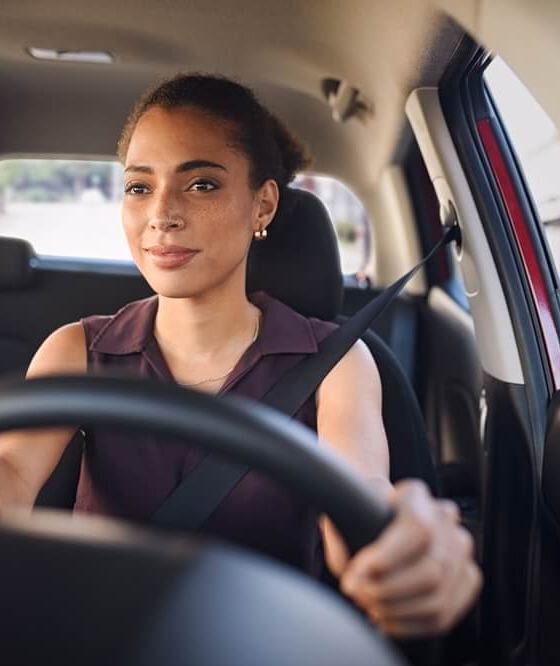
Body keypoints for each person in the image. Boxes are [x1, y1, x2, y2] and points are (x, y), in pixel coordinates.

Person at [0, 73, 481, 638]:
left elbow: (363, 495)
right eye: (138, 187)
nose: (162, 214)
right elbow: (11, 468)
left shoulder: (335, 361)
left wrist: (405, 546)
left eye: (201, 184)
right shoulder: (77, 348)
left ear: (263, 205)